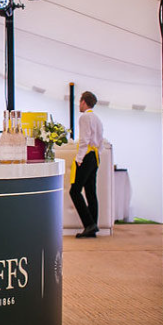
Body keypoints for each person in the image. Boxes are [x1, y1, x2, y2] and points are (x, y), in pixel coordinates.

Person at [70, 91, 104, 239]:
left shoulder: (84, 117)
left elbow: (84, 140)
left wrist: (79, 158)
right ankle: (92, 226)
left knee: (75, 191)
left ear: (84, 102)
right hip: (95, 156)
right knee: (90, 191)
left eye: (80, 101)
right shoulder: (97, 118)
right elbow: (100, 140)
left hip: (86, 156)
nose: (79, 104)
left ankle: (89, 224)